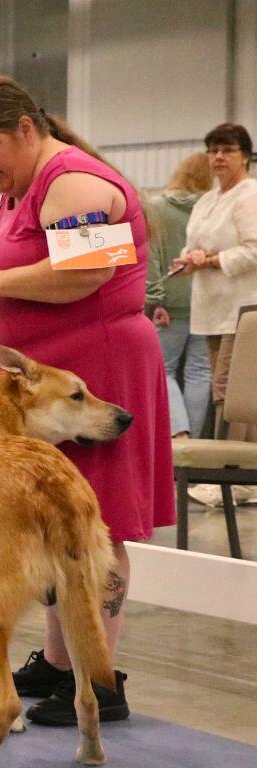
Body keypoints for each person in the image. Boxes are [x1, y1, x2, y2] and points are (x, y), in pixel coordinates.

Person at [0, 74, 174, 726]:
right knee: (50, 521)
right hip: (47, 385)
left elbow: (90, 270)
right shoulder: (22, 188)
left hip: (98, 372)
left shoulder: (72, 183)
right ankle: (59, 661)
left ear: (26, 128)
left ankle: (100, 680)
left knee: (95, 521)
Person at [171, 124, 257, 507]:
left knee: (234, 394)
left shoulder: (250, 195)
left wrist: (212, 260)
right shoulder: (207, 200)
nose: (218, 157)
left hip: (242, 308)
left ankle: (233, 476)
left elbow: (254, 249)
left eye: (227, 150)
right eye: (212, 151)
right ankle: (241, 477)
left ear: (246, 156)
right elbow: (196, 246)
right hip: (209, 308)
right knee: (227, 394)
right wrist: (190, 260)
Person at [146, 152, 213, 440]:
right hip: (207, 300)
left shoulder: (158, 207)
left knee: (165, 369)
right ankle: (196, 443)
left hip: (170, 301)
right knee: (200, 372)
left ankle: (178, 434)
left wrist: (154, 299)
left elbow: (153, 256)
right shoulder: (211, 209)